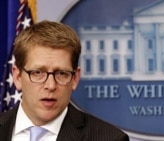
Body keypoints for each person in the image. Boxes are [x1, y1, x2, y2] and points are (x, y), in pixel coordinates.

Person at [0, 20, 129, 141]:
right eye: (38, 73)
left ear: (75, 78)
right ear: (17, 77)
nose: (50, 85)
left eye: (62, 73)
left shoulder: (109, 139)